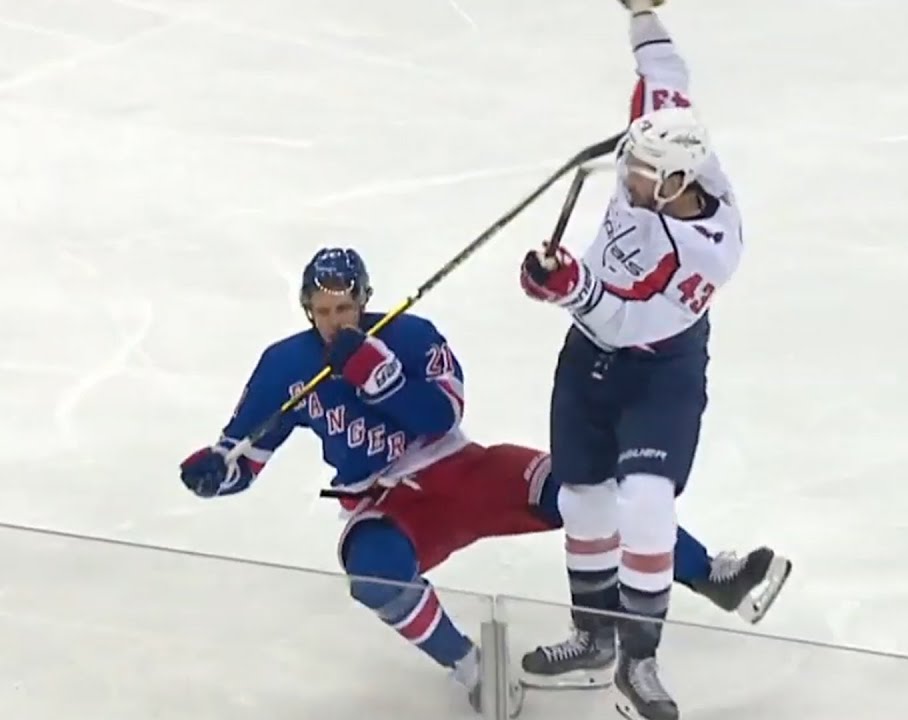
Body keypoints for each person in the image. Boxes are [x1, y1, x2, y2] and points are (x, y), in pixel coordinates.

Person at [178, 248, 787, 717]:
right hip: (389, 500)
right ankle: (473, 670)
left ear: (365, 300)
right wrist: (216, 473)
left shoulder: (411, 336)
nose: (336, 322)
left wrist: (379, 377)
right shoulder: (284, 365)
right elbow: (245, 456)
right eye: (324, 310)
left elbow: (444, 416)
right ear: (307, 307)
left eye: (346, 309)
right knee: (372, 573)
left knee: (585, 494)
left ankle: (714, 575)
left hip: (464, 468)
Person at [516, 1, 767, 717]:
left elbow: (630, 321)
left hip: (658, 369)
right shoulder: (661, 143)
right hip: (585, 359)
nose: (627, 183)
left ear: (680, 185)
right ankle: (593, 636)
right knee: (584, 498)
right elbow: (665, 69)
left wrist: (565, 284)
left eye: (641, 180)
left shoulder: (709, 253)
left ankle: (639, 661)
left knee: (648, 501)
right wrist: (644, 11)